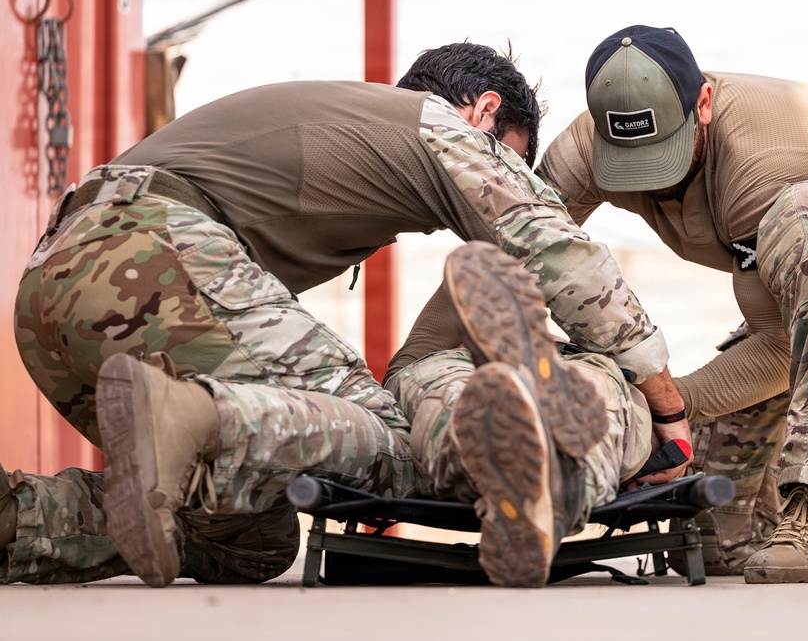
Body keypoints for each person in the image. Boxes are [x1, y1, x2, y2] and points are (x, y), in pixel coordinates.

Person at [7, 42, 688, 588]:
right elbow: (561, 255)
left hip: (50, 295)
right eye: (510, 161)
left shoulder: (349, 132)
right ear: (482, 112)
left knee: (249, 535)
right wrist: (667, 410)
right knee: (392, 443)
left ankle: (18, 522)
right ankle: (197, 414)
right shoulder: (435, 126)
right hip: (149, 253)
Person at [535, 25, 808, 584]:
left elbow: (777, 349)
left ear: (702, 103)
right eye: (629, 159)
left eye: (663, 152)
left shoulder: (763, 156)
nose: (650, 180)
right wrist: (423, 368)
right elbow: (507, 258)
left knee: (802, 212)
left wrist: (655, 408)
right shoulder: (585, 148)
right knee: (719, 533)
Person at [386, 241, 665, 587]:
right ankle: (563, 485)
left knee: (445, 393)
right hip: (577, 365)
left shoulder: (505, 222)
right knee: (599, 396)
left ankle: (496, 460)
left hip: (456, 363)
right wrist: (670, 419)